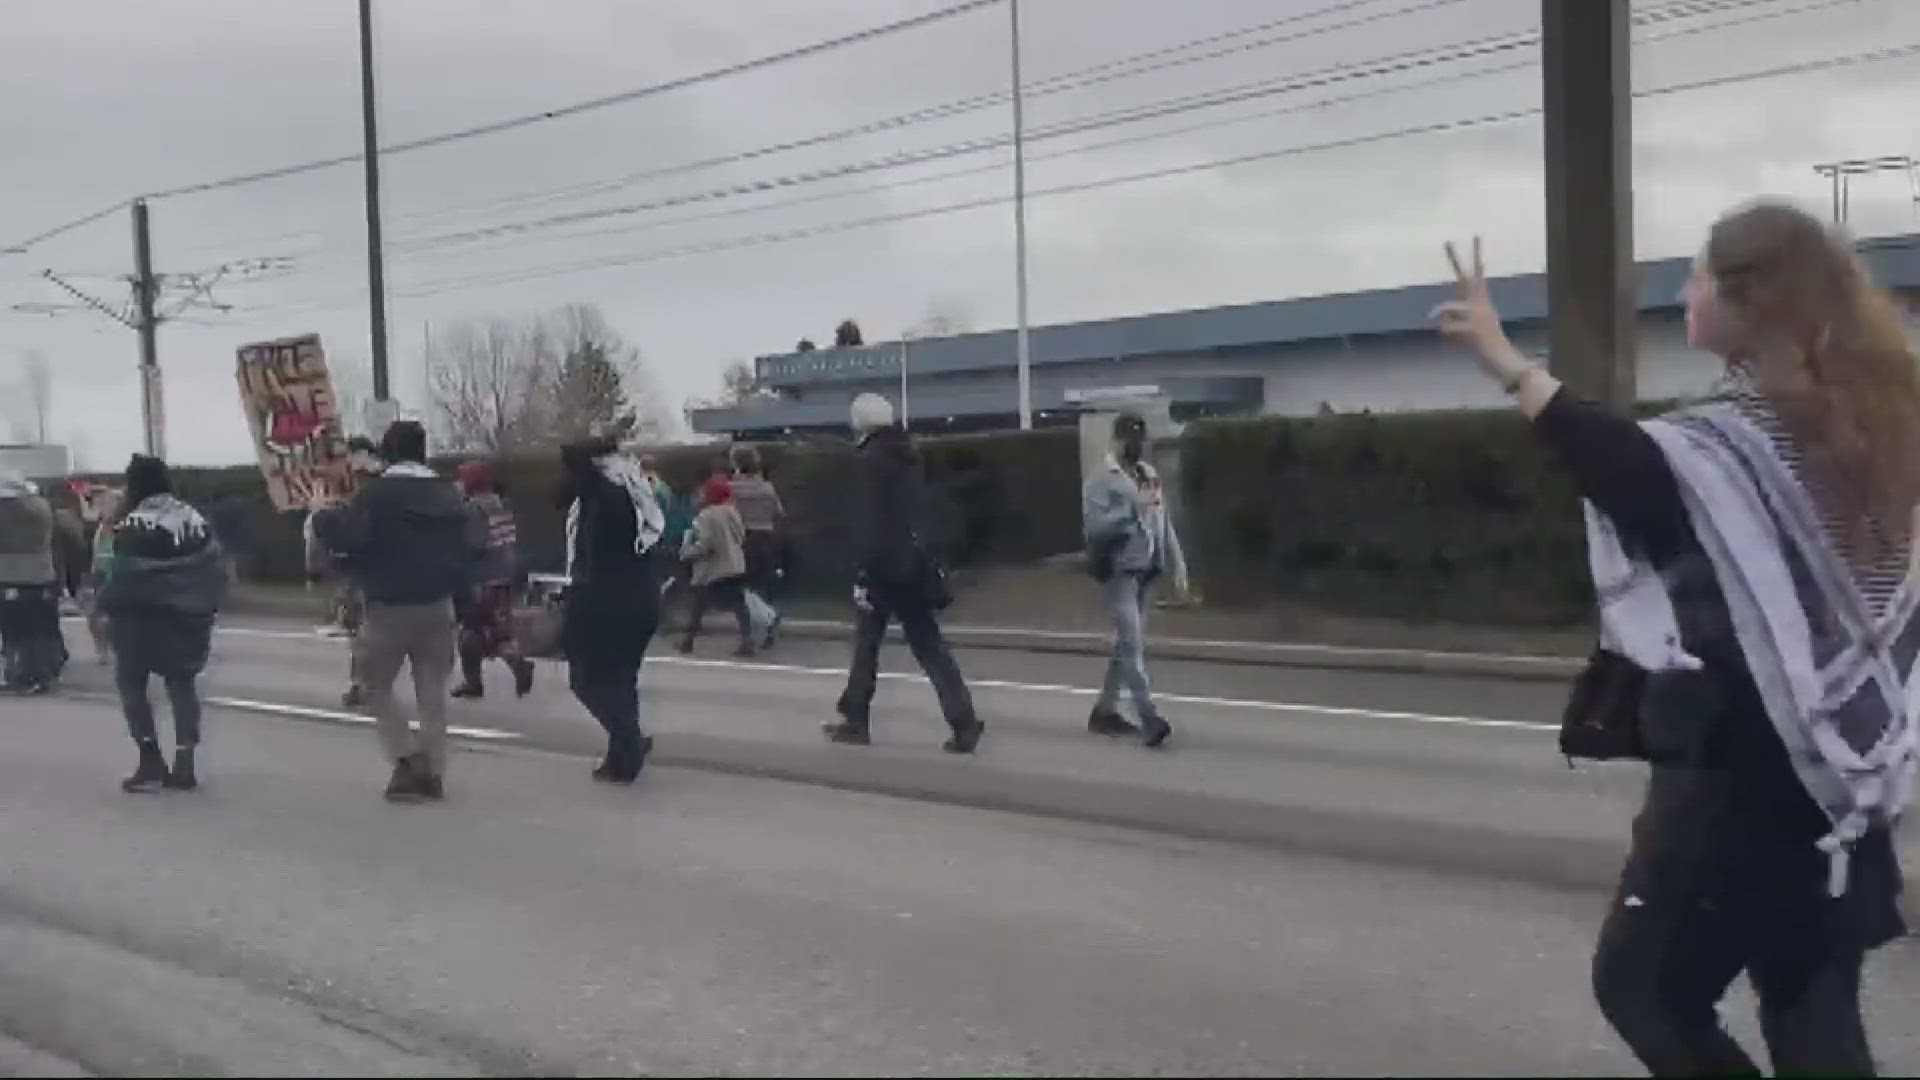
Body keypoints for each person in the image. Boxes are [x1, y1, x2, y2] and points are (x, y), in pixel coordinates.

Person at [1433, 203, 1912, 1076]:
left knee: (1645, 989)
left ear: (1748, 299)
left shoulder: (1732, 450)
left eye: (1697, 276)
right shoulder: (1882, 432)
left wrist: (1504, 362)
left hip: (1735, 782)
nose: (1685, 290)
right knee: (1810, 1005)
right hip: (1845, 779)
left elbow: (1628, 470)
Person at [313, 421, 484, 804]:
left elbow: (350, 541)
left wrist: (323, 515)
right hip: (439, 606)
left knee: (374, 685)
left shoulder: (376, 497)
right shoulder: (449, 497)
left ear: (387, 452)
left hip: (389, 606)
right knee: (432, 694)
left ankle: (406, 760)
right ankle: (434, 773)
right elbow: (468, 553)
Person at [826, 393, 982, 754]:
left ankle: (856, 718)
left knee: (867, 643)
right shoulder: (908, 457)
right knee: (930, 645)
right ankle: (963, 720)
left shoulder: (868, 462)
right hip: (914, 565)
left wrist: (862, 572)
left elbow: (869, 521)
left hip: (882, 568)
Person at [99, 456, 227, 793]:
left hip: (141, 619)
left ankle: (149, 757)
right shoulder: (195, 519)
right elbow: (212, 565)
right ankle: (185, 760)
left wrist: (106, 603)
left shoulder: (133, 525)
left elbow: (123, 575)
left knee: (132, 685)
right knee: (181, 685)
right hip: (187, 617)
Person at [558, 431, 666, 784]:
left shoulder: (602, 497)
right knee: (621, 681)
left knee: (587, 680)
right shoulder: (636, 493)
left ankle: (628, 743)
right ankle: (620, 754)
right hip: (642, 598)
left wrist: (591, 448)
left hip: (606, 602)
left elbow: (573, 460)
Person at [1082, 411, 1190, 748]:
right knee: (1133, 645)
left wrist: (1178, 564)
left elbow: (1163, 521)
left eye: (1140, 440)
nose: (1136, 446)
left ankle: (1104, 711)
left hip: (1147, 570)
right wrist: (1130, 511)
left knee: (1126, 645)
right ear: (1116, 440)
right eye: (1130, 439)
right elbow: (1094, 527)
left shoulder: (1148, 474)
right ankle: (1149, 717)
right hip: (1118, 572)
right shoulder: (1102, 479)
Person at [307, 436, 385, 710]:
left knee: (366, 630)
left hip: (368, 569)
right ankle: (363, 682)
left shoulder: (367, 489)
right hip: (355, 569)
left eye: (343, 456)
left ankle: (365, 684)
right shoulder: (345, 491)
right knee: (360, 630)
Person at [451, 460, 535, 700]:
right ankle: (509, 667)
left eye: (461, 479)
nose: (457, 484)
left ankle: (481, 680)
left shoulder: (474, 510)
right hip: (504, 578)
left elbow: (473, 545)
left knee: (473, 632)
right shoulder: (500, 505)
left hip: (482, 580)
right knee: (493, 630)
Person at [0, 470, 64, 694]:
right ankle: (39, 673)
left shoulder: (11, 512)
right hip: (42, 575)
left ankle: (21, 673)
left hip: (10, 576)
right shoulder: (41, 507)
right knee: (38, 629)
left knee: (15, 629)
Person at [677, 474, 755, 658]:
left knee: (699, 604)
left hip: (714, 568)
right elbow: (742, 536)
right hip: (735, 565)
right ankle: (747, 640)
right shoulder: (732, 511)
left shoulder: (705, 516)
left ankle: (687, 641)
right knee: (739, 605)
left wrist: (687, 554)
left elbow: (705, 543)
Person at [730, 445, 786, 649]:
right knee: (762, 585)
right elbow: (779, 512)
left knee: (741, 588)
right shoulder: (766, 487)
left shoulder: (733, 487)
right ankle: (767, 624)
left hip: (743, 538)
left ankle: (749, 636)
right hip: (766, 538)